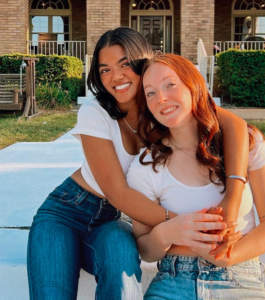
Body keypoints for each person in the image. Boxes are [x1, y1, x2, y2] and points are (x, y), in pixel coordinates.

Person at [27, 28, 249, 300]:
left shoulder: (162, 105)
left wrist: (233, 198)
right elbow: (117, 193)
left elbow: (234, 124)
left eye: (125, 65)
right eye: (104, 70)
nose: (116, 77)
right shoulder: (95, 112)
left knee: (119, 263)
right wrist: (188, 227)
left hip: (114, 220)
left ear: (143, 63)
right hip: (67, 211)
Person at [127, 53, 265, 300]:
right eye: (150, 92)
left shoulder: (248, 143)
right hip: (173, 280)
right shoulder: (146, 165)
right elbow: (145, 248)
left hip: (239, 276)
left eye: (170, 84)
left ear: (193, 85)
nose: (162, 98)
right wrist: (169, 232)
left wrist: (227, 256)